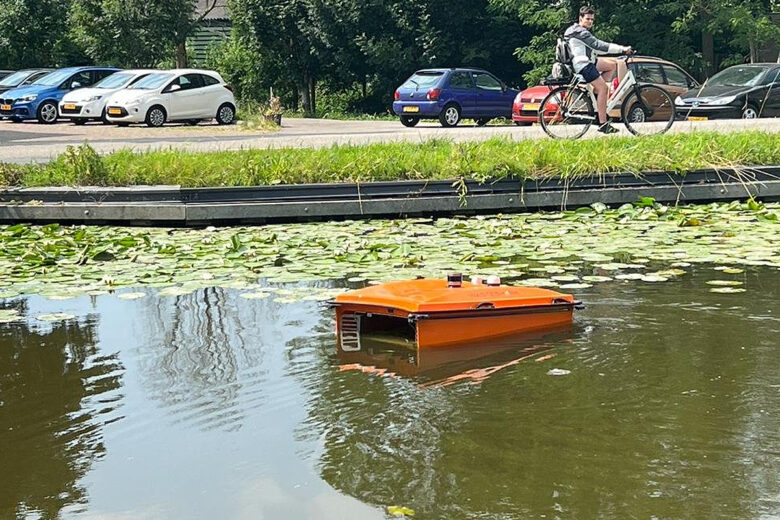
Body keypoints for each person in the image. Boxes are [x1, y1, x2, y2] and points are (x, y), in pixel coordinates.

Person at [564, 6, 632, 134]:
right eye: (587, 19)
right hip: (583, 64)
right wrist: (622, 49)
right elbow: (598, 46)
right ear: (580, 18)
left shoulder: (575, 30)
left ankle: (597, 95)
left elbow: (594, 49)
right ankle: (603, 123)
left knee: (612, 65)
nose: (590, 21)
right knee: (604, 89)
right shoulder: (581, 32)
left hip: (589, 60)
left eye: (592, 20)